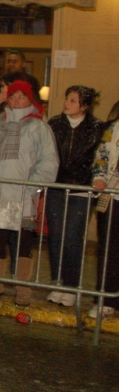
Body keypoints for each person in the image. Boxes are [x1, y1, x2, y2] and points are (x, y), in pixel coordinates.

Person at [0, 80, 58, 306]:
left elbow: (48, 161)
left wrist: (32, 185)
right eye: (12, 97)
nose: (16, 101)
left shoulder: (39, 127)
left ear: (29, 99)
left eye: (21, 97)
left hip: (21, 195)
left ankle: (23, 288)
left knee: (22, 242)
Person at [45, 86, 103, 307]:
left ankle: (71, 285)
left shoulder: (97, 128)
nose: (67, 103)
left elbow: (99, 157)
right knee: (56, 236)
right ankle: (57, 281)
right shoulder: (55, 124)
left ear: (85, 106)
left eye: (73, 100)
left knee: (72, 237)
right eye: (67, 98)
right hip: (57, 187)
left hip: (82, 190)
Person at [90, 116, 119, 318]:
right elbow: (101, 154)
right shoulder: (113, 127)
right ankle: (106, 298)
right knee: (109, 248)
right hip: (113, 194)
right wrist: (99, 176)